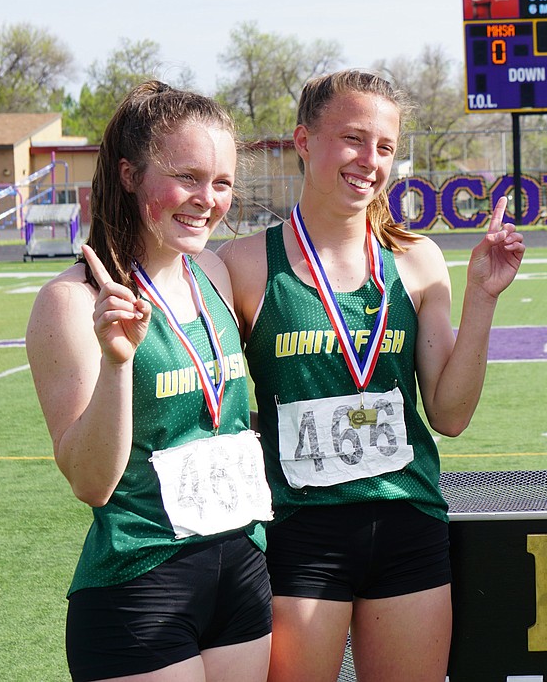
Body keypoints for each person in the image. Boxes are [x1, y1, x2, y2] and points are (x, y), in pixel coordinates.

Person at [220, 69, 524, 682]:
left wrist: (483, 299)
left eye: (385, 147)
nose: (370, 160)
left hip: (405, 520)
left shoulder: (417, 260)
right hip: (299, 530)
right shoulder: (246, 265)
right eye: (354, 139)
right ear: (304, 141)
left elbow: (451, 414)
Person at [25, 81, 273, 682]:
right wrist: (116, 364)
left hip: (243, 570)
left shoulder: (213, 270)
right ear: (130, 174)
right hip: (142, 583)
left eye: (222, 182)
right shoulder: (71, 302)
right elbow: (90, 481)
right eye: (187, 176)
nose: (207, 200)